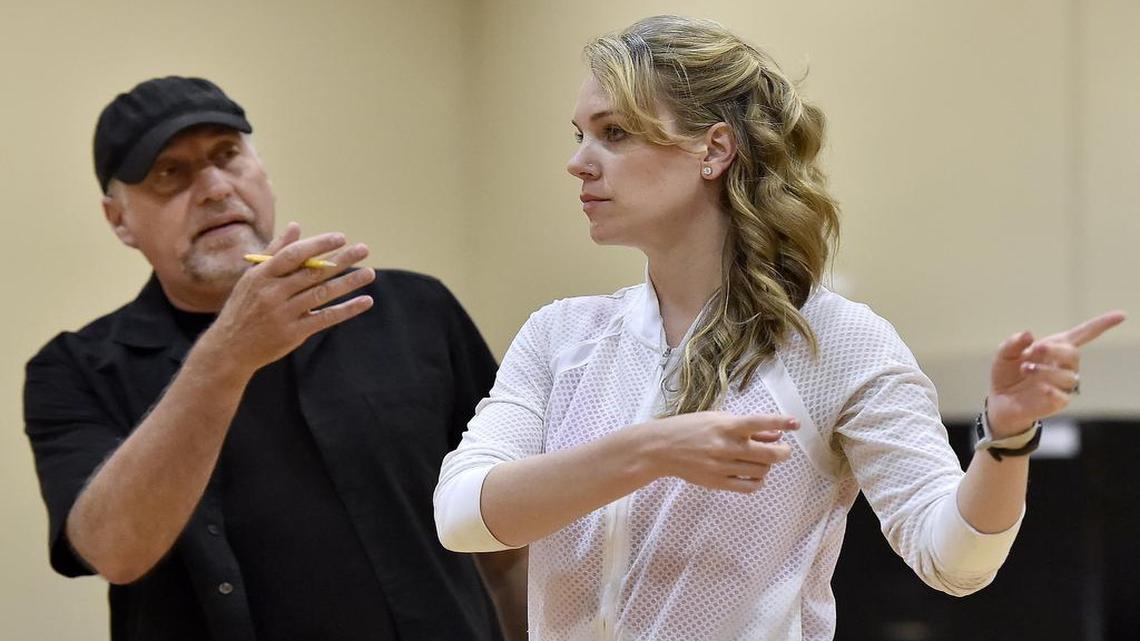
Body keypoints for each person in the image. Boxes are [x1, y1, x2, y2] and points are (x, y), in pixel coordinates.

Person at [433, 15, 1125, 641]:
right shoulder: (560, 335)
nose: (579, 161)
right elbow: (462, 515)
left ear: (715, 149)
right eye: (580, 135)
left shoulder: (836, 340)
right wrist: (650, 449)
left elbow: (955, 559)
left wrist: (1006, 440)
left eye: (614, 133)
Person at [24, 76, 526, 641]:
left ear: (261, 172)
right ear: (119, 220)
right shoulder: (72, 369)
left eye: (227, 156)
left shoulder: (417, 310)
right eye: (170, 172)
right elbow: (114, 553)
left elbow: (506, 535)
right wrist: (225, 355)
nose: (214, 187)